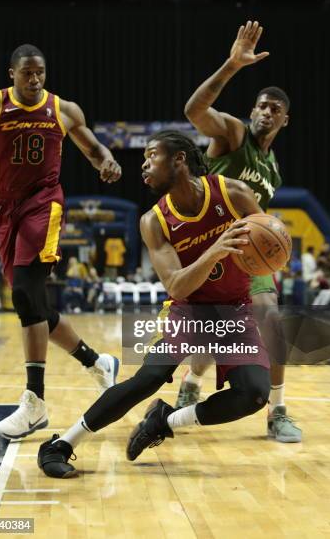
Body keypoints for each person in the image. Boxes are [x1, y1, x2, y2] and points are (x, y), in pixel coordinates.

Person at [37, 130, 271, 478]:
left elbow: (270, 241)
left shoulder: (233, 193)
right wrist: (217, 248)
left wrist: (267, 263)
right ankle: (62, 445)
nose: (144, 165)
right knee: (151, 376)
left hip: (236, 308)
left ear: (179, 159)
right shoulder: (154, 221)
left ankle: (164, 420)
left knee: (253, 394)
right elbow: (177, 285)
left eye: (151, 156)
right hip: (188, 311)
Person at [0, 44, 121, 439]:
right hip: (6, 211)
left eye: (40, 73)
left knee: (25, 297)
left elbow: (92, 146)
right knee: (34, 304)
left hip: (44, 206)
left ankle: (34, 402)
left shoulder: (63, 110)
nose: (35, 80)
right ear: (12, 74)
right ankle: (96, 363)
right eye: (27, 73)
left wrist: (106, 162)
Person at [177, 20, 301, 442]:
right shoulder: (232, 135)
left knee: (272, 321)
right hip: (210, 246)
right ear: (252, 111)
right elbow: (194, 111)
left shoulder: (274, 170)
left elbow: (262, 219)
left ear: (285, 120)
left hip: (248, 253)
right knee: (215, 332)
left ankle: (278, 410)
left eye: (275, 109)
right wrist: (232, 65)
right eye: (262, 106)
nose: (266, 112)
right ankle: (191, 385)